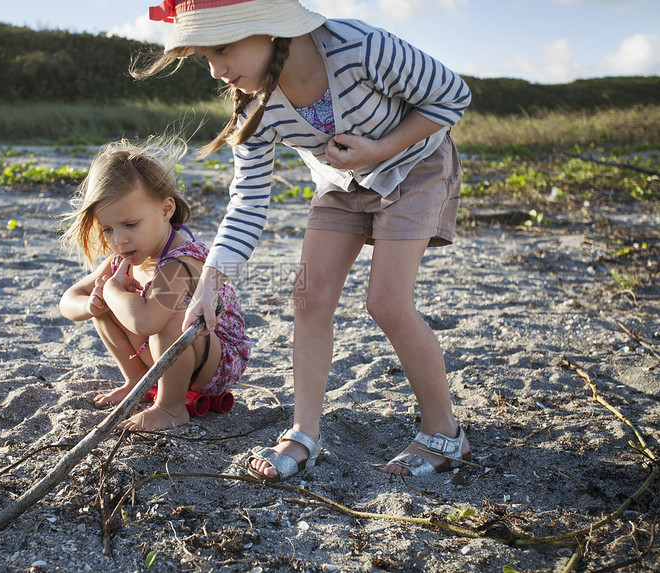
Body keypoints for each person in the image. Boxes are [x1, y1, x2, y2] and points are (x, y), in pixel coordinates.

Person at [136, 0, 472, 479]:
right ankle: (303, 432)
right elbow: (248, 202)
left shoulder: (361, 47)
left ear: (270, 28)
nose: (215, 70)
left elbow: (452, 95)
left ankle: (445, 432)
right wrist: (212, 281)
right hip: (341, 185)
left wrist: (379, 148)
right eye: (204, 57)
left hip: (413, 168)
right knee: (309, 298)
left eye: (223, 48)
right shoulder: (255, 106)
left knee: (387, 303)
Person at [59, 139, 252, 431]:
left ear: (165, 210)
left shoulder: (182, 261)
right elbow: (68, 299)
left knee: (167, 311)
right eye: (108, 229)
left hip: (216, 360)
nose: (119, 240)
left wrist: (111, 290)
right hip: (167, 355)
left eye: (130, 225)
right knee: (104, 304)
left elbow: (146, 321)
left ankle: (171, 408)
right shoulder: (122, 259)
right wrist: (92, 302)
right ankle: (137, 379)